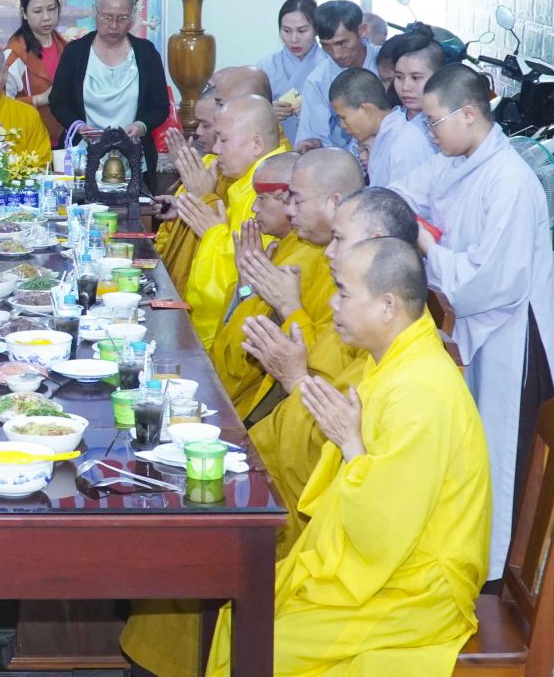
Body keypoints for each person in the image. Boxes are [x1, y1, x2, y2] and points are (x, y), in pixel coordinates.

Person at [206, 239, 491, 677]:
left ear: (387, 306)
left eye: (343, 293)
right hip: (380, 565)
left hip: (416, 589)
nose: (332, 305)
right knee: (241, 618)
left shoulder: (419, 393)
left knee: (257, 645)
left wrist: (350, 445)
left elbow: (384, 531)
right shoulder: (393, 360)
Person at [394, 64, 554, 576]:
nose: (430, 132)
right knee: (478, 452)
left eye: (435, 121)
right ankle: (475, 557)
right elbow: (402, 194)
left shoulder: (510, 180)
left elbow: (485, 282)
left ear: (468, 113)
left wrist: (427, 244)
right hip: (478, 332)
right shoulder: (455, 161)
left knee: (508, 454)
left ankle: (502, 572)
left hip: (515, 337)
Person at [245, 187, 424, 553]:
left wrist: (296, 380)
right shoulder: (379, 331)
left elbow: (378, 521)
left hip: (372, 561)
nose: (329, 250)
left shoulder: (415, 386)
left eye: (339, 238)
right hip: (300, 487)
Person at [226, 149, 364, 430]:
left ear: (334, 203)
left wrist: (288, 306)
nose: (290, 211)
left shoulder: (357, 280)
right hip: (284, 409)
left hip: (308, 418)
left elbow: (327, 376)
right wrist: (248, 286)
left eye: (297, 200)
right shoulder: (304, 249)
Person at [207, 152, 324, 422]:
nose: (253, 209)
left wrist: (250, 290)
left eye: (262, 198)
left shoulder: (304, 260)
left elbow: (246, 352)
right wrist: (246, 284)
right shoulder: (282, 246)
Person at [177, 95, 287, 348]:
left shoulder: (272, 194)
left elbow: (245, 277)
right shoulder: (246, 182)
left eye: (224, 140)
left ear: (256, 144)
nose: (216, 149)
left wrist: (213, 233)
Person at [49, 0, 170, 181]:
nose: (114, 25)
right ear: (95, 12)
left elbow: (160, 107)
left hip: (134, 162)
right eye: (107, 17)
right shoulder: (75, 52)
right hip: (83, 159)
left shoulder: (146, 53)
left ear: (133, 16)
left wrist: (141, 126)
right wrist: (78, 126)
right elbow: (58, 102)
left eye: (122, 18)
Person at [150, 91, 224, 294]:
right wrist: (182, 206)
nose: (197, 131)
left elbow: (228, 253)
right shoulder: (211, 161)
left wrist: (202, 199)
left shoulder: (264, 181)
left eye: (206, 125)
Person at [294, 0, 382, 154]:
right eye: (326, 45)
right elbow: (314, 134)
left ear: (362, 30)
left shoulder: (386, 63)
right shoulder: (318, 81)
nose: (336, 54)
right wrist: (315, 143)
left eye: (342, 43)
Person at [329, 66, 434, 188]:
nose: (341, 125)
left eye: (343, 117)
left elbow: (403, 199)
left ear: (366, 109)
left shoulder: (405, 144)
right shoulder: (383, 138)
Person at [3, 0, 70, 146]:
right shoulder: (14, 54)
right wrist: (39, 99)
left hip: (65, 141)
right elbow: (1, 106)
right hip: (27, 144)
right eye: (38, 11)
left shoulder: (66, 47)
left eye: (51, 9)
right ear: (24, 13)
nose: (46, 17)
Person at [256, 0, 329, 146]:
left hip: (320, 149)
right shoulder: (266, 66)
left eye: (302, 31)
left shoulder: (330, 65)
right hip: (276, 149)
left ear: (316, 29)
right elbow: (250, 112)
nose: (294, 39)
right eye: (286, 31)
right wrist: (267, 111)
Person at [383, 28, 447, 145]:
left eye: (416, 78)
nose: (405, 87)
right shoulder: (390, 122)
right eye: (399, 77)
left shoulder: (451, 128)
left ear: (438, 77)